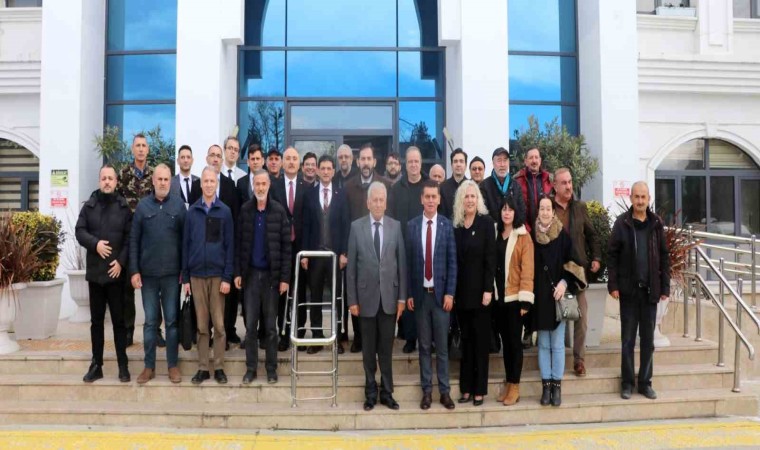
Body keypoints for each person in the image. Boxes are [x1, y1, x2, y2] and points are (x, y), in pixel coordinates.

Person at [347, 181, 407, 411]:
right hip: (365, 300)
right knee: (368, 351)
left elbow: (401, 265)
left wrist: (401, 298)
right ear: (368, 203)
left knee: (386, 351)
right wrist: (352, 300)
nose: (379, 204)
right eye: (375, 200)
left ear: (386, 203)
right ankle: (370, 393)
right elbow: (351, 269)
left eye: (382, 200)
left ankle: (387, 393)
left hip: (389, 300)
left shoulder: (395, 227)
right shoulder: (356, 228)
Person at [608, 181, 669, 401]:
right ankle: (627, 383)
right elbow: (612, 256)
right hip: (629, 292)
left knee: (647, 341)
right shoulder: (621, 224)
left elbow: (664, 256)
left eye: (643, 197)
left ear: (648, 198)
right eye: (637, 197)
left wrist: (665, 286)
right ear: (631, 198)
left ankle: (645, 383)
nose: (640, 201)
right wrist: (613, 285)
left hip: (650, 292)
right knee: (627, 341)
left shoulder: (656, 224)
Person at [129, 164, 186, 385]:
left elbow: (185, 241)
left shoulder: (179, 206)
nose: (163, 183)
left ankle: (172, 365)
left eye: (166, 179)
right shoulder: (142, 207)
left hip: (172, 275)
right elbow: (134, 241)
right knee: (150, 322)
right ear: (153, 181)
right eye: (159, 179)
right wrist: (134, 271)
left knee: (172, 322)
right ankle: (149, 366)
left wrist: (184, 273)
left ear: (171, 181)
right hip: (149, 276)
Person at [75, 164, 132, 383]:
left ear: (116, 182)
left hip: (116, 275)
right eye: (104, 178)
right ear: (99, 181)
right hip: (96, 275)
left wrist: (121, 263)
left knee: (119, 322)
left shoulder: (123, 207)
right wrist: (95, 244)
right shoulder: (89, 206)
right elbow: (80, 231)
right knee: (96, 323)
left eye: (110, 178)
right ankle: (96, 365)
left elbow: (129, 238)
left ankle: (123, 365)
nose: (107, 182)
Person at [234, 169, 291, 384]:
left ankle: (271, 369)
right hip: (250, 277)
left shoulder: (278, 211)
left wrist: (284, 278)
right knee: (250, 328)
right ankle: (251, 369)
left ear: (269, 186)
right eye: (257, 184)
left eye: (263, 184)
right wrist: (238, 273)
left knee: (270, 328)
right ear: (253, 186)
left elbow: (286, 248)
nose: (260, 188)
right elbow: (239, 244)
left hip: (271, 278)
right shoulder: (245, 210)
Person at [406, 180, 457, 411]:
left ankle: (444, 392)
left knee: (442, 348)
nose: (430, 200)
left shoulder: (446, 226)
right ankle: (426, 391)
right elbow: (408, 263)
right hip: (420, 296)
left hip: (440, 297)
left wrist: (450, 293)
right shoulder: (412, 226)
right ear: (421, 199)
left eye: (433, 196)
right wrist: (409, 293)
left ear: (439, 199)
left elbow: (452, 263)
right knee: (424, 346)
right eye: (426, 196)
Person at [182, 167, 235, 385]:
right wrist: (185, 278)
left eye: (212, 181)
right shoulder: (192, 212)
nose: (209, 184)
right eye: (206, 181)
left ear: (216, 184)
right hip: (196, 276)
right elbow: (185, 245)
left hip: (217, 276)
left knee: (220, 326)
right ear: (201, 184)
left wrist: (227, 277)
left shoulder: (225, 211)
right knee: (202, 327)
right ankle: (203, 367)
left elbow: (230, 246)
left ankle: (219, 367)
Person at [532, 195, 586, 407]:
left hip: (557, 297)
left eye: (548, 208)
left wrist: (564, 283)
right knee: (543, 345)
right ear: (538, 212)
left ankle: (556, 385)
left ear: (553, 212)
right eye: (542, 208)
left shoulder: (562, 236)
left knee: (557, 344)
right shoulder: (532, 237)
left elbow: (573, 263)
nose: (545, 212)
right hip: (539, 298)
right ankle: (546, 386)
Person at [189, 145, 242, 347]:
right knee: (202, 311)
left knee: (223, 306)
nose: (215, 158)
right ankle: (204, 337)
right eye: (212, 155)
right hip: (200, 258)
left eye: (219, 156)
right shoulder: (197, 186)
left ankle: (224, 336)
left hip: (221, 256)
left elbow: (233, 218)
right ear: (207, 158)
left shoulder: (230, 185)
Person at [343, 143, 392, 353]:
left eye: (368, 159)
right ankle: (359, 337)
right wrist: (345, 250)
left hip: (381, 246)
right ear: (357, 162)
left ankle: (379, 338)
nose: (365, 163)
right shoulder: (348, 187)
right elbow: (345, 219)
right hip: (358, 246)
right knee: (359, 291)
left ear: (374, 161)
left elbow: (392, 216)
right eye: (362, 159)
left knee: (379, 295)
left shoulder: (386, 184)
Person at [553, 168, 601, 377]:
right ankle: (554, 358)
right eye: (564, 183)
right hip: (555, 272)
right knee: (556, 316)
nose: (568, 186)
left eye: (570, 182)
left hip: (578, 272)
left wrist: (596, 258)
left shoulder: (580, 207)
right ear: (555, 186)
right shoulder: (547, 207)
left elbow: (592, 235)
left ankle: (579, 360)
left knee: (581, 316)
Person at [452, 180, 496, 406]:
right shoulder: (457, 226)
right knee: (466, 344)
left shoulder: (486, 223)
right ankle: (466, 389)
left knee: (480, 344)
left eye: (473, 196)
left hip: (481, 295)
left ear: (478, 199)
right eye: (466, 196)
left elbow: (491, 259)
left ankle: (479, 390)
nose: (469, 200)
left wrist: (488, 289)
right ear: (461, 200)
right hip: (461, 295)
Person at [302, 155, 350, 354]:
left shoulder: (341, 194)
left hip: (335, 256)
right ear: (318, 171)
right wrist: (304, 254)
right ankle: (317, 338)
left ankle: (337, 339)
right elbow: (305, 226)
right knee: (315, 297)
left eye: (329, 168)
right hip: (314, 255)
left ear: (333, 171)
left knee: (337, 298)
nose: (325, 171)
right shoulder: (310, 195)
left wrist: (344, 252)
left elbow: (346, 224)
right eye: (322, 168)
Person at [480, 147, 525, 354]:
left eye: (505, 160)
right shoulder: (485, 186)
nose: (502, 164)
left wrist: (510, 227)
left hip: (512, 242)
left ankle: (509, 335)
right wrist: (498, 226)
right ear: (493, 162)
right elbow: (483, 213)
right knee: (493, 289)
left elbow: (521, 211)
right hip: (492, 242)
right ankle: (493, 336)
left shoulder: (515, 186)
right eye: (498, 160)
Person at [493, 195, 534, 406]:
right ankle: (509, 383)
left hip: (515, 299)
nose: (507, 213)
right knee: (505, 345)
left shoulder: (523, 236)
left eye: (510, 209)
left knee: (514, 344)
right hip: (499, 298)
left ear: (516, 212)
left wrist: (525, 300)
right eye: (504, 209)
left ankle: (515, 385)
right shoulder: (495, 233)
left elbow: (527, 270)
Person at [117, 133, 154, 347]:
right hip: (129, 237)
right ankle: (128, 330)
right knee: (126, 288)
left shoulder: (154, 174)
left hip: (150, 238)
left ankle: (155, 329)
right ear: (132, 149)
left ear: (148, 150)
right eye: (137, 145)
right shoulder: (123, 174)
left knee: (154, 286)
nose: (140, 149)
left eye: (143, 146)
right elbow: (117, 204)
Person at [270, 147, 308, 351]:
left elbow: (310, 221)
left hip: (300, 249)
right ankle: (283, 334)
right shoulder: (273, 186)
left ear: (299, 163)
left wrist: (307, 250)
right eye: (288, 158)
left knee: (300, 292)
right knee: (282, 292)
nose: (291, 162)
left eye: (295, 158)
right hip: (280, 248)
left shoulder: (307, 187)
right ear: (282, 163)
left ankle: (300, 333)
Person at [391, 146, 428, 354]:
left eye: (417, 161)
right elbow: (391, 218)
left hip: (426, 249)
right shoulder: (396, 189)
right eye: (410, 161)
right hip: (403, 249)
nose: (413, 165)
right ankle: (409, 337)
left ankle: (425, 336)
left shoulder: (428, 186)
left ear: (421, 164)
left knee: (424, 295)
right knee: (406, 292)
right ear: (405, 164)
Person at [513, 147, 552, 233]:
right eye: (531, 158)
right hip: (525, 231)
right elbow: (515, 207)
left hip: (546, 231)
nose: (534, 161)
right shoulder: (517, 181)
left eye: (536, 157)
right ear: (526, 161)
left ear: (540, 161)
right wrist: (526, 229)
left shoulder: (549, 179)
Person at [439, 148, 468, 218]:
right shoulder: (442, 188)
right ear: (451, 165)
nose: (458, 164)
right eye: (455, 161)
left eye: (461, 161)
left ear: (466, 165)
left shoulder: (471, 187)